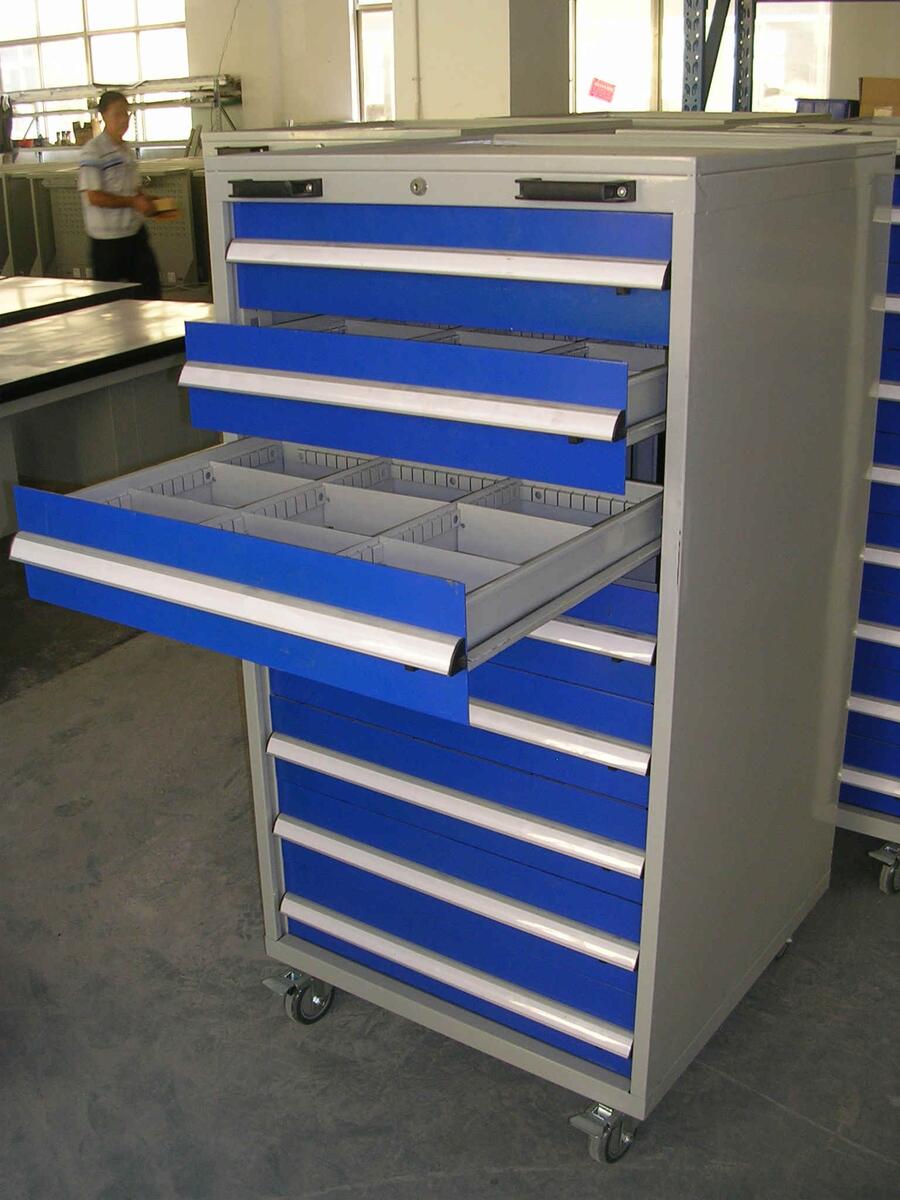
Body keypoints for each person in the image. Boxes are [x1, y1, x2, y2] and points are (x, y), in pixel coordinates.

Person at [78, 90, 162, 300]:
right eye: (117, 114)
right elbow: (94, 197)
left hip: (134, 234)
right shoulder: (93, 151)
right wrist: (133, 202)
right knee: (110, 303)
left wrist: (147, 201)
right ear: (103, 116)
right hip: (107, 241)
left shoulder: (126, 151)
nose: (123, 119)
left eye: (126, 114)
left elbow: (132, 189)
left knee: (150, 294)